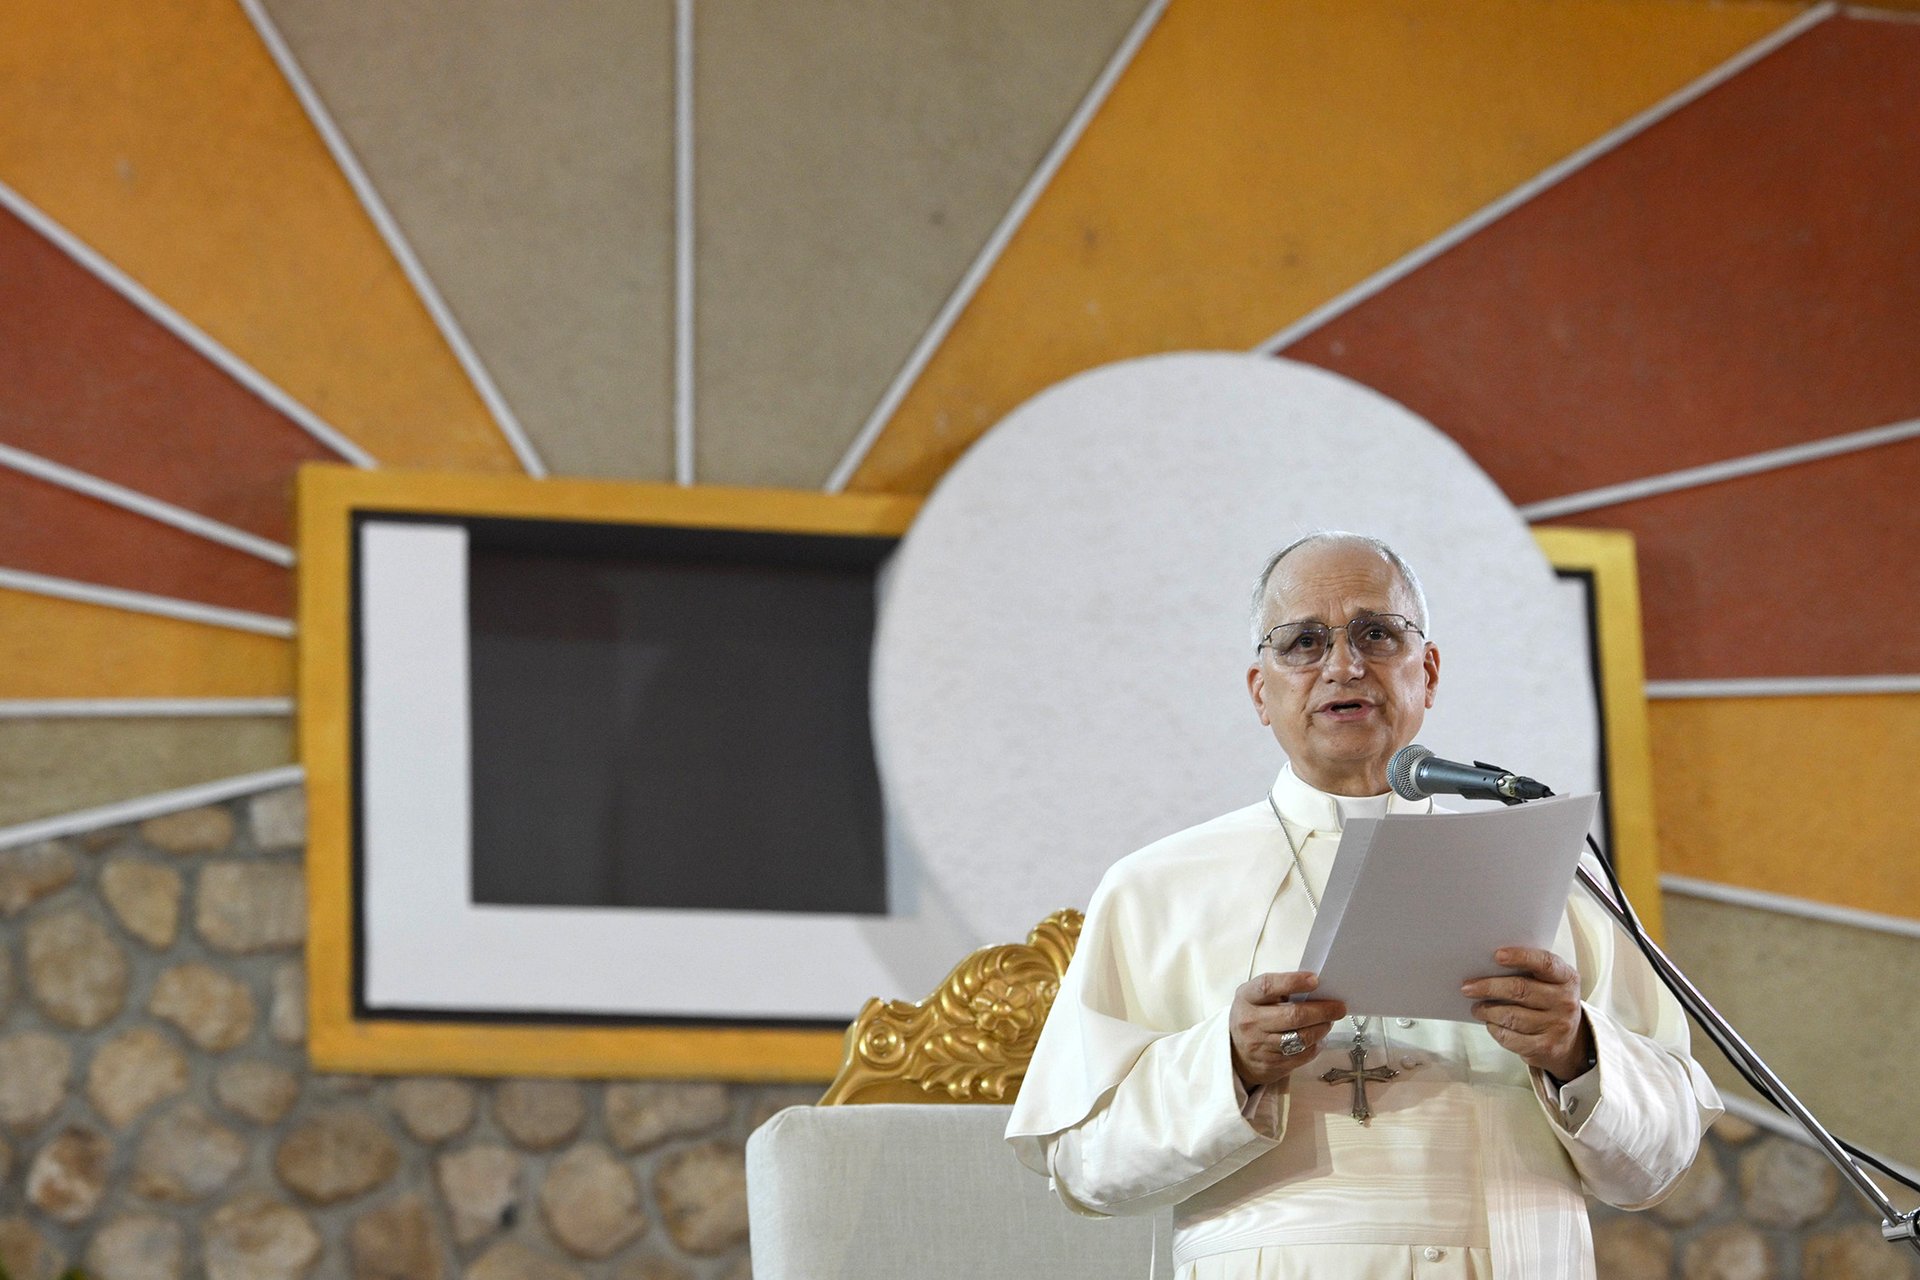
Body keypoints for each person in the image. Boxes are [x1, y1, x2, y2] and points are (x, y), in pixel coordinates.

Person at [1006, 531, 1721, 1280]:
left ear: (1429, 671)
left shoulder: (1558, 876)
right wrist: (1229, 1063)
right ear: (1260, 691)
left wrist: (1576, 1051)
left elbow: (1659, 1164)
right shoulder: (1157, 886)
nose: (1343, 666)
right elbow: (1085, 1168)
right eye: (1304, 642)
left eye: (1376, 634)